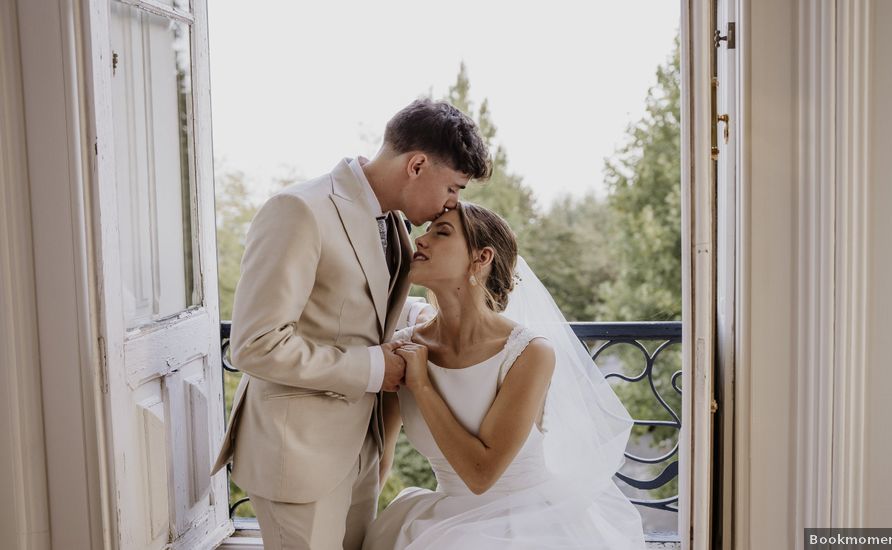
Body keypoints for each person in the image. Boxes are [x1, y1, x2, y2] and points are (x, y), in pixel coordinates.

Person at [210, 99, 491, 550]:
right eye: (453, 188)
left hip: (361, 450)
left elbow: (361, 307)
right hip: (298, 456)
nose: (452, 204)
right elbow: (255, 344)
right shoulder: (299, 210)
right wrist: (374, 370)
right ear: (417, 165)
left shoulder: (393, 223)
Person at [363, 202, 647, 549]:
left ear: (481, 258)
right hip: (439, 522)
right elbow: (381, 458)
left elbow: (481, 474)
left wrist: (421, 384)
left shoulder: (529, 352)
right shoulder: (401, 349)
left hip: (528, 525)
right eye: (427, 231)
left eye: (442, 232)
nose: (420, 240)